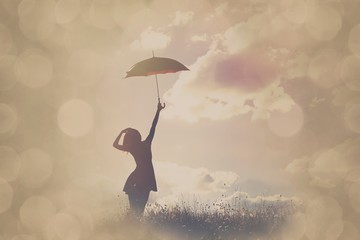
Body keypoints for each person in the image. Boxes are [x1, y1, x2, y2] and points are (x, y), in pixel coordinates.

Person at [113, 101, 165, 217]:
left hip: (137, 178)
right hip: (146, 178)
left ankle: (129, 228)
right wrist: (158, 111)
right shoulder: (146, 143)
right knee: (139, 210)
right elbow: (153, 127)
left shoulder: (132, 147)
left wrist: (121, 133)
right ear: (138, 136)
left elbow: (115, 145)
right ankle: (131, 228)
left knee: (134, 210)